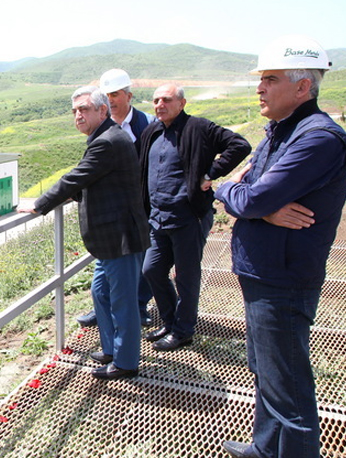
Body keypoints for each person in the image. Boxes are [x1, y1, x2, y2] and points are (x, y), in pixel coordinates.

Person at [215, 35, 346, 458]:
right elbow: (256, 195)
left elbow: (249, 195)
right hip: (262, 271)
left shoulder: (318, 138)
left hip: (283, 279)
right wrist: (255, 203)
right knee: (267, 373)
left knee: (289, 392)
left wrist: (229, 190)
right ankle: (266, 448)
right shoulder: (281, 130)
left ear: (303, 87)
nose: (259, 88)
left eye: (270, 79)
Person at [20, 86, 149, 380]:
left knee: (123, 301)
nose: (78, 115)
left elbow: (75, 178)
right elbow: (95, 181)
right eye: (75, 111)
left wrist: (39, 204)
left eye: (84, 109)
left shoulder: (107, 141)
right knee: (100, 291)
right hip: (110, 239)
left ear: (102, 111)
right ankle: (111, 348)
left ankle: (126, 363)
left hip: (121, 238)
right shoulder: (105, 137)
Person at [139, 83, 251, 351]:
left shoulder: (198, 128)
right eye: (156, 100)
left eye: (166, 99)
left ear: (182, 103)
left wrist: (211, 173)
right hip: (158, 218)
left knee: (186, 276)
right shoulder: (152, 131)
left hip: (188, 217)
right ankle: (169, 321)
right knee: (151, 270)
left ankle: (183, 330)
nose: (159, 105)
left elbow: (239, 145)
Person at [77, 68, 155, 329]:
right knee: (109, 267)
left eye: (115, 94)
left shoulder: (147, 124)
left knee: (140, 261)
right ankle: (104, 310)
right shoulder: (100, 128)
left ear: (129, 95)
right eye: (106, 95)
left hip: (141, 204)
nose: (110, 100)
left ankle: (139, 306)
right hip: (112, 210)